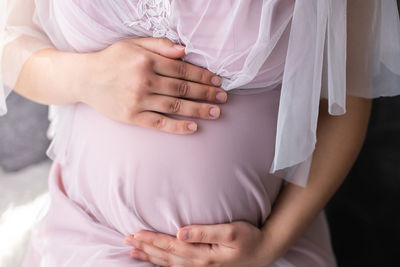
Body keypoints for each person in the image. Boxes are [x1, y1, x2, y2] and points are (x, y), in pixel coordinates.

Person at [1, 0, 400, 266]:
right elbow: (9, 41)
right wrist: (83, 78)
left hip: (258, 251)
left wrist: (269, 246)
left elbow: (347, 98)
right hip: (85, 238)